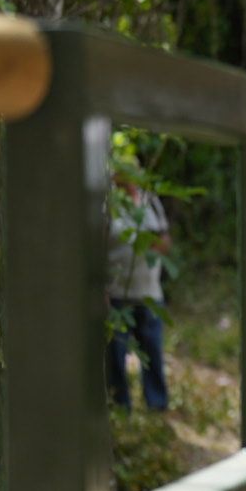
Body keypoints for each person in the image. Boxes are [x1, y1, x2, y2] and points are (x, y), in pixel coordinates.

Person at [106, 166, 171, 412]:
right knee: (115, 355)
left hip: (150, 293)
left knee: (152, 351)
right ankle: (120, 406)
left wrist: (150, 245)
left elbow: (165, 239)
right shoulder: (108, 202)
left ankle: (157, 406)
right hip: (117, 294)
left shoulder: (149, 200)